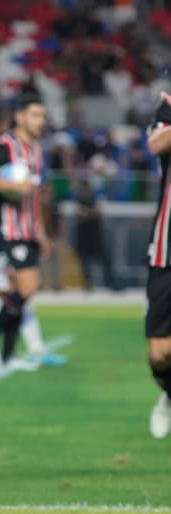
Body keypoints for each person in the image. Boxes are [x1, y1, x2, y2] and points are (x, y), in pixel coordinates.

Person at [0, 100, 67, 370]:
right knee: (26, 286)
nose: (41, 120)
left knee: (15, 291)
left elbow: (36, 197)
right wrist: (13, 185)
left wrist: (43, 234)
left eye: (43, 115)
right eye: (35, 114)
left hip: (29, 230)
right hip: (8, 230)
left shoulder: (36, 150)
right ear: (19, 117)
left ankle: (7, 355)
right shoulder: (6, 145)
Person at [145, 92, 171, 440]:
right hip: (167, 249)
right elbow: (155, 144)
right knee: (160, 353)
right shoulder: (168, 104)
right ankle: (168, 393)